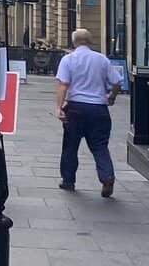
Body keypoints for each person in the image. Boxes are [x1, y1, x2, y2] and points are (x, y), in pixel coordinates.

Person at [55, 28, 123, 198]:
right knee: (100, 146)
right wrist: (111, 97)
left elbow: (63, 85)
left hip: (75, 108)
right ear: (90, 41)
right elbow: (117, 82)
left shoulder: (68, 59)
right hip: (98, 109)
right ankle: (107, 177)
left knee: (70, 146)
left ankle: (68, 180)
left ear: (74, 42)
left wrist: (59, 107)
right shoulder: (102, 59)